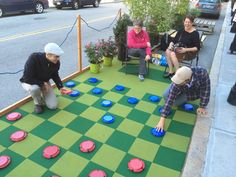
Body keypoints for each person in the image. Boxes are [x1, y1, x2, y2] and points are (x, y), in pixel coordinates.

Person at [155, 66, 211, 131]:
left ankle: (183, 98)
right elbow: (170, 98)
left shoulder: (202, 73)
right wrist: (162, 120)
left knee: (175, 103)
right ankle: (179, 93)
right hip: (183, 87)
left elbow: (206, 90)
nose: (176, 82)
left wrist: (202, 106)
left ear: (188, 80)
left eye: (179, 81)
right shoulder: (179, 79)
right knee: (165, 95)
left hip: (193, 92)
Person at [20, 43, 69, 114]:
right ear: (48, 55)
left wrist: (60, 87)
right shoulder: (34, 58)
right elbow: (27, 78)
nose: (58, 59)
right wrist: (42, 84)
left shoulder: (56, 62)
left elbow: (55, 75)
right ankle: (38, 103)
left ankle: (41, 94)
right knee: (34, 88)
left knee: (53, 106)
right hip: (30, 82)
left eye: (59, 56)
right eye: (57, 56)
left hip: (44, 82)